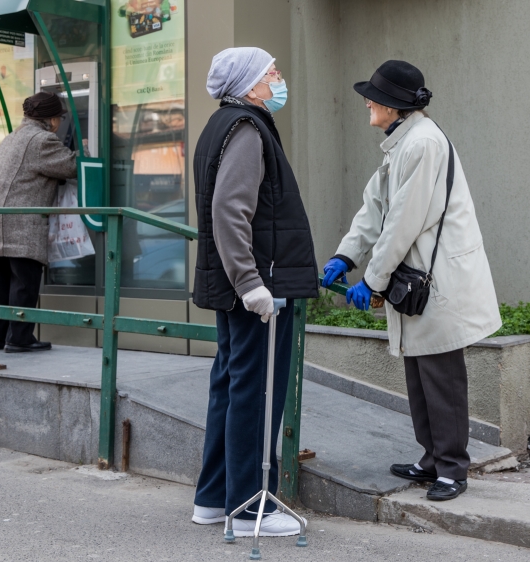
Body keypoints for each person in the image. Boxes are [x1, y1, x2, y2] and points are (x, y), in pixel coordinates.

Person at [322, 60, 501, 501]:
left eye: (373, 97)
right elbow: (374, 207)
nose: (367, 102)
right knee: (420, 374)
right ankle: (432, 459)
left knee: (441, 377)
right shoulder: (402, 142)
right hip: (420, 278)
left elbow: (402, 222)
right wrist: (346, 255)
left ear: (394, 106)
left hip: (437, 281)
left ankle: (453, 468)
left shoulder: (422, 144)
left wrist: (372, 280)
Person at [190, 47, 318, 536]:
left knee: (231, 386)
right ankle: (248, 509)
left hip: (241, 285)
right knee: (257, 392)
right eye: (271, 73)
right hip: (259, 288)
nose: (278, 78)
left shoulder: (223, 125)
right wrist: (250, 283)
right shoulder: (246, 129)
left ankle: (213, 498)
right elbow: (230, 210)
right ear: (249, 85)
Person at [0, 91, 77, 353]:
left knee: (0, 283)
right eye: (60, 118)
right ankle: (19, 338)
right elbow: (71, 166)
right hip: (20, 222)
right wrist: (85, 151)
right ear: (52, 120)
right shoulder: (42, 140)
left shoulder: (12, 137)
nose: (60, 123)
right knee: (24, 281)